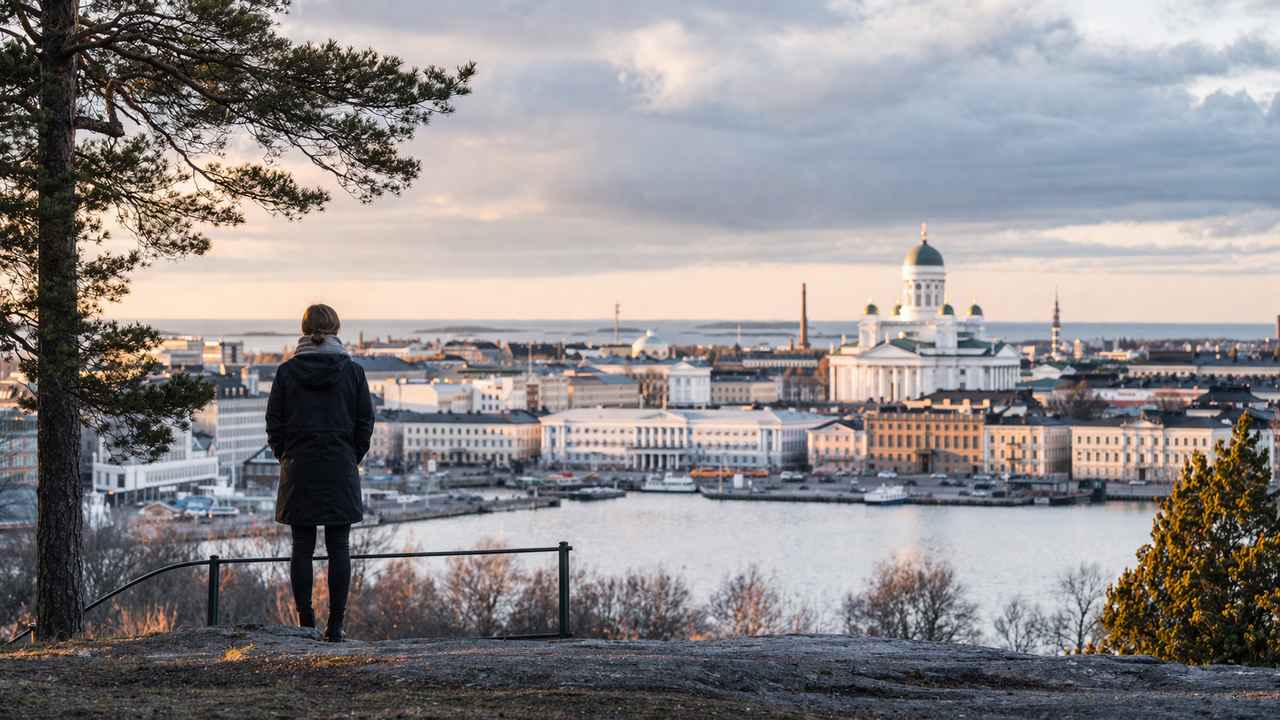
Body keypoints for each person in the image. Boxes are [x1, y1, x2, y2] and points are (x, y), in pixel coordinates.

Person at [266, 304, 374, 642]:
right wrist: (349, 455)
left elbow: (274, 424)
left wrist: (286, 455)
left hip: (299, 466)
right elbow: (365, 424)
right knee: (339, 545)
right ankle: (336, 624)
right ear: (337, 330)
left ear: (304, 330)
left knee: (302, 545)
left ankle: (306, 620)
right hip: (340, 465)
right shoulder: (353, 372)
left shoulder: (287, 372)